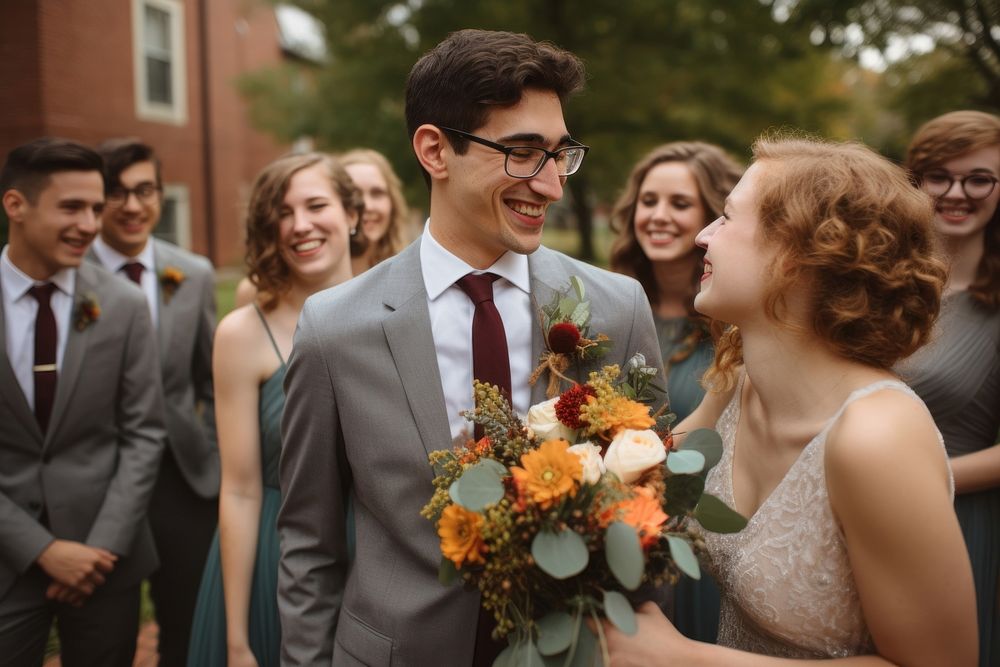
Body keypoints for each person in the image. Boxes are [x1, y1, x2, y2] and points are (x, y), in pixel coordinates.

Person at [277, 29, 663, 666]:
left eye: (560, 155)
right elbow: (308, 544)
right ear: (435, 150)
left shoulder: (616, 309)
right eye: (521, 153)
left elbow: (649, 519)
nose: (551, 185)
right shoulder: (334, 329)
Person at [601, 136, 977, 666]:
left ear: (799, 254)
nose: (705, 236)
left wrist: (682, 659)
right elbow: (643, 475)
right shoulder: (740, 381)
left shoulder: (878, 439)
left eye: (726, 219)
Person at [188, 152, 361, 667]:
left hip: (378, 560)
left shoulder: (394, 317)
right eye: (283, 214)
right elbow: (239, 489)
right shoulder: (242, 335)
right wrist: (237, 639)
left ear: (352, 214)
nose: (300, 225)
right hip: (274, 552)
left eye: (315, 205)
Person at [0, 138, 165, 665]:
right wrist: (42, 550)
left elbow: (144, 434)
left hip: (105, 561)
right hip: (8, 561)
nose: (91, 224)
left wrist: (99, 551)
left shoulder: (123, 305)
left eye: (96, 208)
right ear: (15, 205)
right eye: (72, 207)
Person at [86, 138, 218, 667]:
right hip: (99, 482)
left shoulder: (194, 273)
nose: (133, 206)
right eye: (116, 193)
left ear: (160, 195)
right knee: (105, 629)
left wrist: (209, 452)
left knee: (185, 622)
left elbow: (210, 380)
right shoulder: (74, 278)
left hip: (184, 479)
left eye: (145, 191)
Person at [609, 141, 742, 643]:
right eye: (649, 202)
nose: (658, 216)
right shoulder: (608, 309)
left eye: (680, 204)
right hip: (619, 533)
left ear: (714, 220)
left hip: (705, 535)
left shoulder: (735, 328)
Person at [898, 110, 1000, 667]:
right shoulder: (875, 284)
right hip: (853, 516)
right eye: (939, 176)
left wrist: (911, 480)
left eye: (979, 178)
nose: (957, 192)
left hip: (959, 519)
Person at [342, 148, 411, 275]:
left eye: (377, 193)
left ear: (393, 203)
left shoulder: (410, 273)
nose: (367, 206)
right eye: (355, 194)